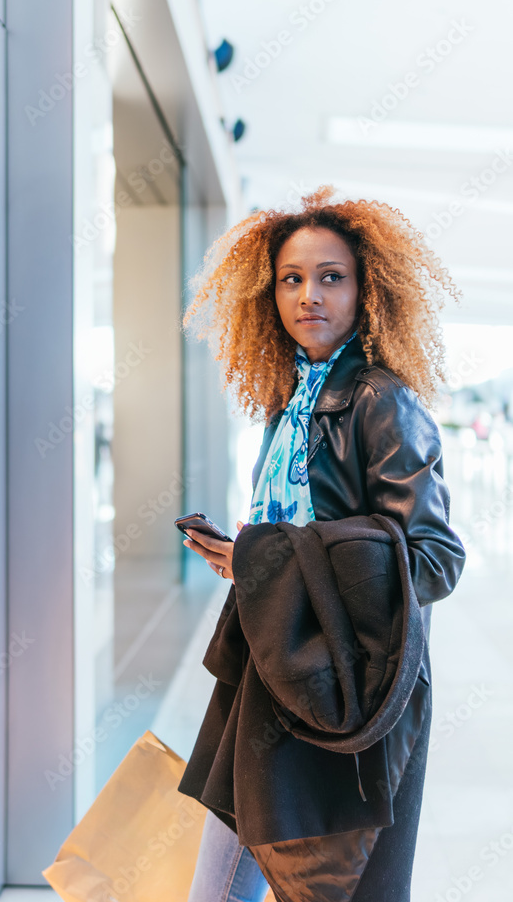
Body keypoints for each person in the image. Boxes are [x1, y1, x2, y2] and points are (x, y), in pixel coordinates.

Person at [177, 186, 466, 902]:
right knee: (228, 877)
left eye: (331, 277)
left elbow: (432, 559)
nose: (309, 294)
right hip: (275, 666)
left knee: (322, 884)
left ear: (366, 290)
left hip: (351, 685)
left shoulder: (379, 401)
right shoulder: (286, 403)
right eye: (291, 279)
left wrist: (283, 560)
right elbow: (294, 538)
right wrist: (249, 558)